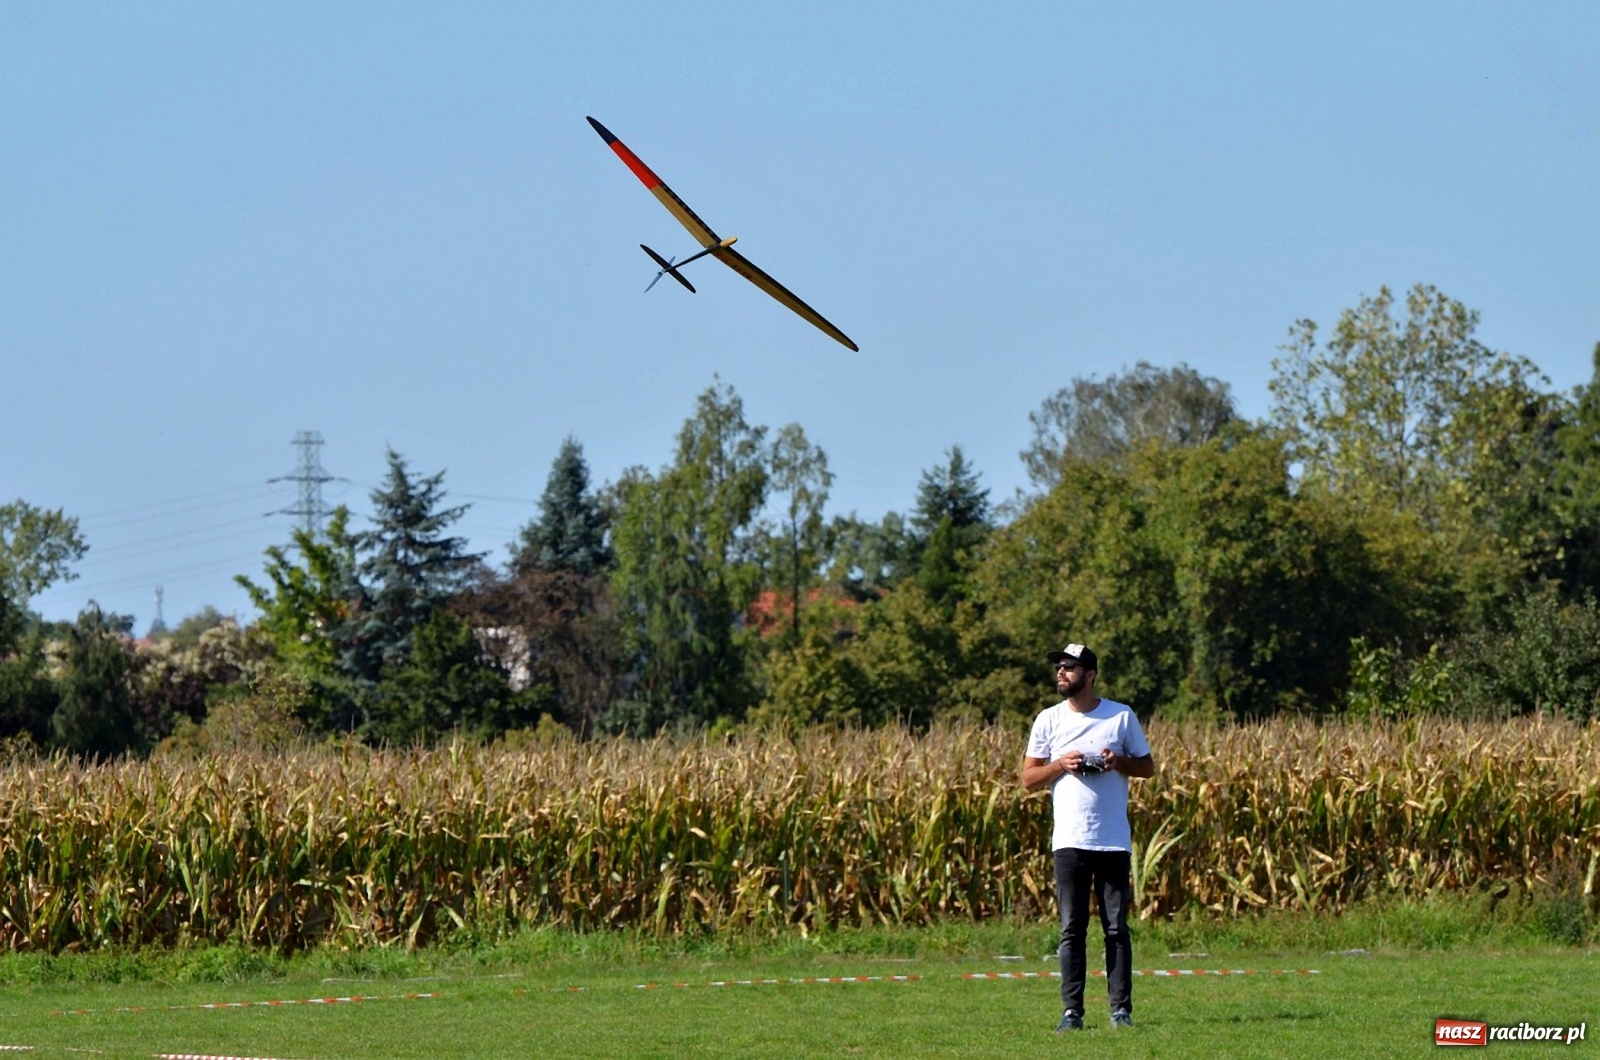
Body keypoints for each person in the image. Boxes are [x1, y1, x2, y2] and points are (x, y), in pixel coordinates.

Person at [1021, 642, 1154, 1032]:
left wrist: (1118, 762)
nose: (1061, 673)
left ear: (1090, 675)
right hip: (1069, 839)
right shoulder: (1048, 719)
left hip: (1112, 839)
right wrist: (1061, 765)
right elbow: (1028, 779)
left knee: (1116, 929)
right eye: (1059, 667)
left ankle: (1121, 1011)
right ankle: (1071, 1012)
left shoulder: (1121, 716)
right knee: (1071, 929)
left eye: (1070, 667)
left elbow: (1147, 767)